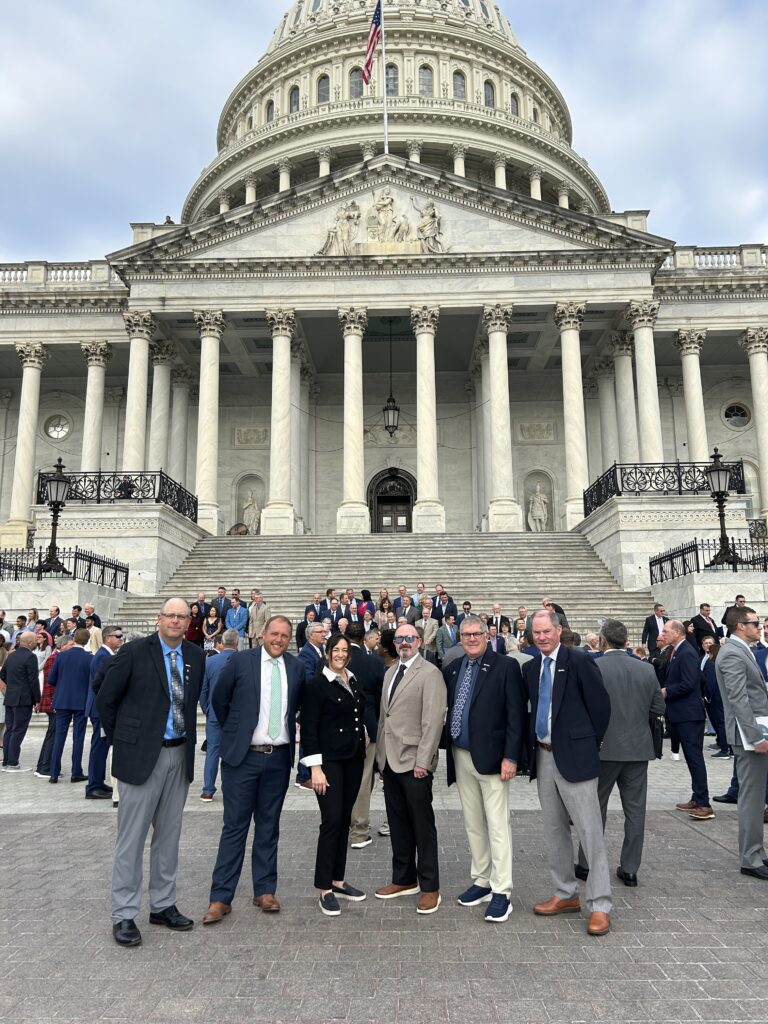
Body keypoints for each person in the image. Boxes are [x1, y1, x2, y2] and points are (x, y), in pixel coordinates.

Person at [96, 598, 205, 946]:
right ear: (158, 619)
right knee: (131, 839)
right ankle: (124, 913)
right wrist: (125, 741)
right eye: (170, 615)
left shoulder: (195, 656)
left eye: (181, 616)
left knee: (169, 837)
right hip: (142, 758)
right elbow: (105, 700)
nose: (175, 621)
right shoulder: (133, 652)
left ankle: (162, 904)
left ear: (189, 622)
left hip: (179, 755)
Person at [202, 616, 306, 924]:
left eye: (284, 635)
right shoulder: (239, 661)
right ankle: (221, 897)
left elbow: (297, 708)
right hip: (242, 758)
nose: (278, 639)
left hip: (278, 759)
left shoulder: (296, 667)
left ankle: (265, 890)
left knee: (268, 826)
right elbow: (218, 701)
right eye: (274, 633)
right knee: (234, 827)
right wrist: (236, 733)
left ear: (291, 639)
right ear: (262, 634)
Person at [522, 609, 612, 936]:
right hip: (544, 756)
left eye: (547, 631)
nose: (542, 637)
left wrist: (587, 744)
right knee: (554, 829)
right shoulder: (531, 668)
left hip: (577, 757)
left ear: (559, 631)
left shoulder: (580, 662)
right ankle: (565, 894)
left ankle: (600, 904)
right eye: (537, 633)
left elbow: (601, 708)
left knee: (590, 832)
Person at [444, 616, 526, 922]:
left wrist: (511, 757)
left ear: (487, 635)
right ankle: (481, 879)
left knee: (497, 824)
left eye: (477, 633)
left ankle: (501, 890)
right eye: (466, 634)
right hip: (462, 755)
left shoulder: (505, 667)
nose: (471, 638)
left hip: (493, 758)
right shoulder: (454, 667)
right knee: (473, 822)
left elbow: (516, 716)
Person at [575, 619, 665, 887]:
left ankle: (586, 863)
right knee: (635, 811)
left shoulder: (594, 667)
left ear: (602, 641)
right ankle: (630, 868)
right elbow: (658, 708)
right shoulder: (646, 670)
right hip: (637, 749)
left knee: (594, 809)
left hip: (603, 750)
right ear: (626, 641)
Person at [374, 623, 447, 914]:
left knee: (422, 826)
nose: (404, 643)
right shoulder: (390, 672)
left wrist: (423, 762)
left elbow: (432, 722)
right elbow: (385, 718)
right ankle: (404, 879)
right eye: (400, 639)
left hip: (413, 761)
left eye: (409, 638)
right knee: (398, 823)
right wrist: (380, 757)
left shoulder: (430, 674)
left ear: (419, 641)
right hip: (390, 761)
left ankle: (430, 887)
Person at [300, 633, 367, 915]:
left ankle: (338, 880)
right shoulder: (316, 685)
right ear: (327, 653)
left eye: (344, 650)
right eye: (335, 650)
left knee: (344, 821)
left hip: (352, 759)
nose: (340, 654)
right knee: (331, 821)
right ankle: (324, 887)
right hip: (328, 763)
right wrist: (314, 768)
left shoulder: (352, 679)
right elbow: (309, 728)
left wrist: (361, 730)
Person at [714, 606, 768, 878]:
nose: (759, 627)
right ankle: (750, 858)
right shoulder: (732, 653)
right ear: (739, 626)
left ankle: (756, 852)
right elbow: (738, 699)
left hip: (753, 734)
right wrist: (757, 737)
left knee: (756, 797)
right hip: (749, 737)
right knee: (751, 797)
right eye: (754, 623)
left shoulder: (740, 649)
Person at [661, 619, 714, 820]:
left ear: (677, 632)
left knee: (695, 758)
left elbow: (690, 683)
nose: (663, 635)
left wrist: (667, 691)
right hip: (681, 713)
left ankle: (704, 804)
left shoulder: (687, 652)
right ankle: (697, 796)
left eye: (666, 631)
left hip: (689, 715)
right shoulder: (678, 651)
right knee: (691, 758)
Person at [347, 622, 386, 850]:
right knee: (363, 779)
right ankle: (359, 831)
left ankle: (345, 824)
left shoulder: (333, 659)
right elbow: (382, 699)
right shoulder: (374, 663)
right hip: (368, 727)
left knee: (344, 778)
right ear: (364, 638)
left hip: (338, 729)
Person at [48, 628, 93, 783]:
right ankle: (76, 772)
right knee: (78, 738)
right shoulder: (90, 658)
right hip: (81, 702)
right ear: (87, 640)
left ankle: (54, 772)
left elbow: (51, 679)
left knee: (59, 737)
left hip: (62, 700)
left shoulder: (61, 656)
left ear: (74, 639)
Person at [199, 629, 240, 801]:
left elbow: (203, 690)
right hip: (236, 715)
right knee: (235, 752)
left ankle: (208, 790)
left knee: (212, 752)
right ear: (237, 642)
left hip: (214, 714)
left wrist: (207, 709)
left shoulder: (210, 661)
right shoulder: (244, 660)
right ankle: (233, 789)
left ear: (222, 642)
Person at [85, 626, 124, 800]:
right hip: (99, 710)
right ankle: (94, 785)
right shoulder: (103, 657)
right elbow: (100, 684)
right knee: (99, 748)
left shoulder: (104, 655)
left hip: (98, 708)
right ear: (108, 638)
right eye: (118, 636)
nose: (120, 639)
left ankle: (98, 782)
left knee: (101, 747)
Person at [0, 632, 41, 771]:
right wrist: (37, 699)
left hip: (10, 697)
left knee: (10, 729)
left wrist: (12, 687)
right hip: (23, 699)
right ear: (29, 643)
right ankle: (12, 762)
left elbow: (3, 675)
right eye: (35, 639)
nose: (37, 641)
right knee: (18, 730)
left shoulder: (11, 655)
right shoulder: (31, 656)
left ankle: (6, 760)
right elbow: (33, 680)